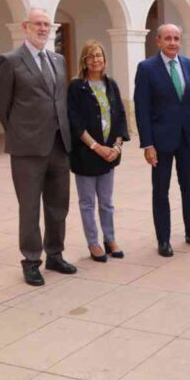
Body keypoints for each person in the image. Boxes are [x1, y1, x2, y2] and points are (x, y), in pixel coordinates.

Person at [0, 7, 77, 286]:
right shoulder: (10, 61)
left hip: (59, 145)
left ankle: (55, 254)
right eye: (38, 24)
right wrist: (20, 131)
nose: (43, 29)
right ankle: (31, 261)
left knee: (58, 206)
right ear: (25, 26)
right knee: (29, 208)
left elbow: (58, 100)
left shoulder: (58, 60)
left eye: (47, 25)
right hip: (27, 149)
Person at [134, 23, 190, 257]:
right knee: (161, 191)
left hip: (187, 139)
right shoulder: (146, 68)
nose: (172, 42)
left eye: (176, 38)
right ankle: (163, 240)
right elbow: (141, 109)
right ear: (158, 41)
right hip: (160, 141)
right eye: (167, 38)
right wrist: (147, 144)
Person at [67, 40, 130, 262]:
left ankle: (110, 239)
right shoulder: (76, 87)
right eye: (90, 56)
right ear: (84, 61)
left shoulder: (111, 84)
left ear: (104, 59)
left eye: (99, 55)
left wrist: (117, 146)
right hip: (85, 154)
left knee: (106, 201)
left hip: (109, 153)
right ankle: (93, 243)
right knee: (87, 203)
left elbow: (120, 116)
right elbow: (74, 122)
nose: (95, 60)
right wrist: (96, 146)